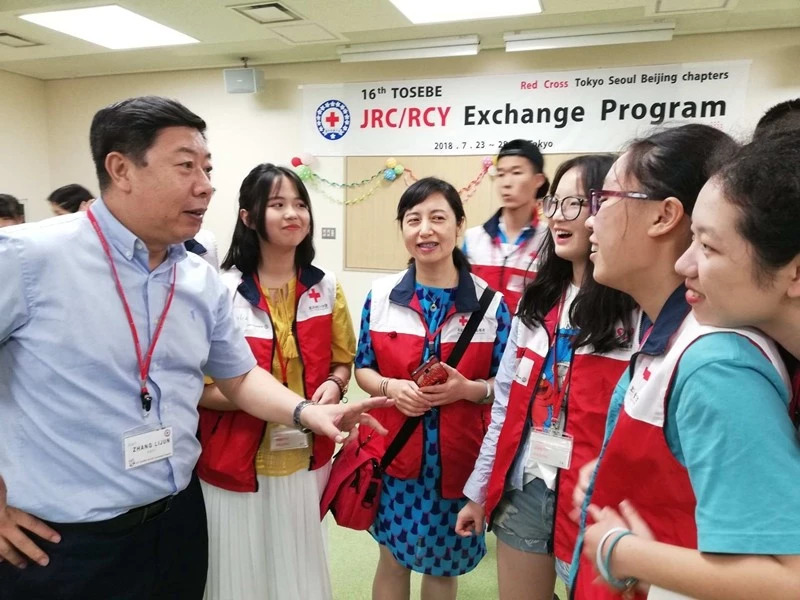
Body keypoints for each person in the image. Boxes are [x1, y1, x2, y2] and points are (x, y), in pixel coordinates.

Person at [0, 96, 389, 600]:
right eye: (186, 166)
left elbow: (239, 376)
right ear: (121, 169)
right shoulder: (28, 259)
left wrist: (305, 412)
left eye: (207, 168)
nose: (206, 185)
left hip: (178, 520)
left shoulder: (198, 279)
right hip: (63, 541)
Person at [570, 124, 800, 600]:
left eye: (603, 198)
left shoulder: (719, 363)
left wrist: (622, 552)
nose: (684, 263)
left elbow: (787, 578)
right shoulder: (685, 336)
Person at [455, 155, 637, 600]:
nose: (558, 215)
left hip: (596, 496)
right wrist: (479, 491)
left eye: (576, 203)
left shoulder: (635, 312)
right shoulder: (535, 303)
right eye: (555, 202)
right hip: (528, 486)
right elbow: (504, 406)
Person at [197, 163, 355, 600]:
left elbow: (342, 360)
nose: (293, 214)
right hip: (234, 458)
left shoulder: (326, 287)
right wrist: (274, 401)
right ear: (248, 217)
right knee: (237, 572)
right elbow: (201, 388)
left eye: (300, 204)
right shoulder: (221, 291)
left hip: (304, 456)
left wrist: (335, 384)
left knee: (299, 567)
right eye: (278, 204)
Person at [354, 177, 511, 600]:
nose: (425, 230)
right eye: (413, 219)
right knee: (392, 559)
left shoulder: (491, 305)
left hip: (458, 464)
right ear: (402, 229)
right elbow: (362, 368)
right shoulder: (381, 296)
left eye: (438, 218)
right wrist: (391, 386)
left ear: (458, 225)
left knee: (443, 568)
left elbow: (507, 385)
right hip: (396, 457)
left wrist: (468, 389)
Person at [463, 139, 549, 312]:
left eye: (516, 173)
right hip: (478, 329)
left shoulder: (549, 240)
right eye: (501, 174)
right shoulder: (473, 238)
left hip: (526, 329)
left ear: (538, 180)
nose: (506, 183)